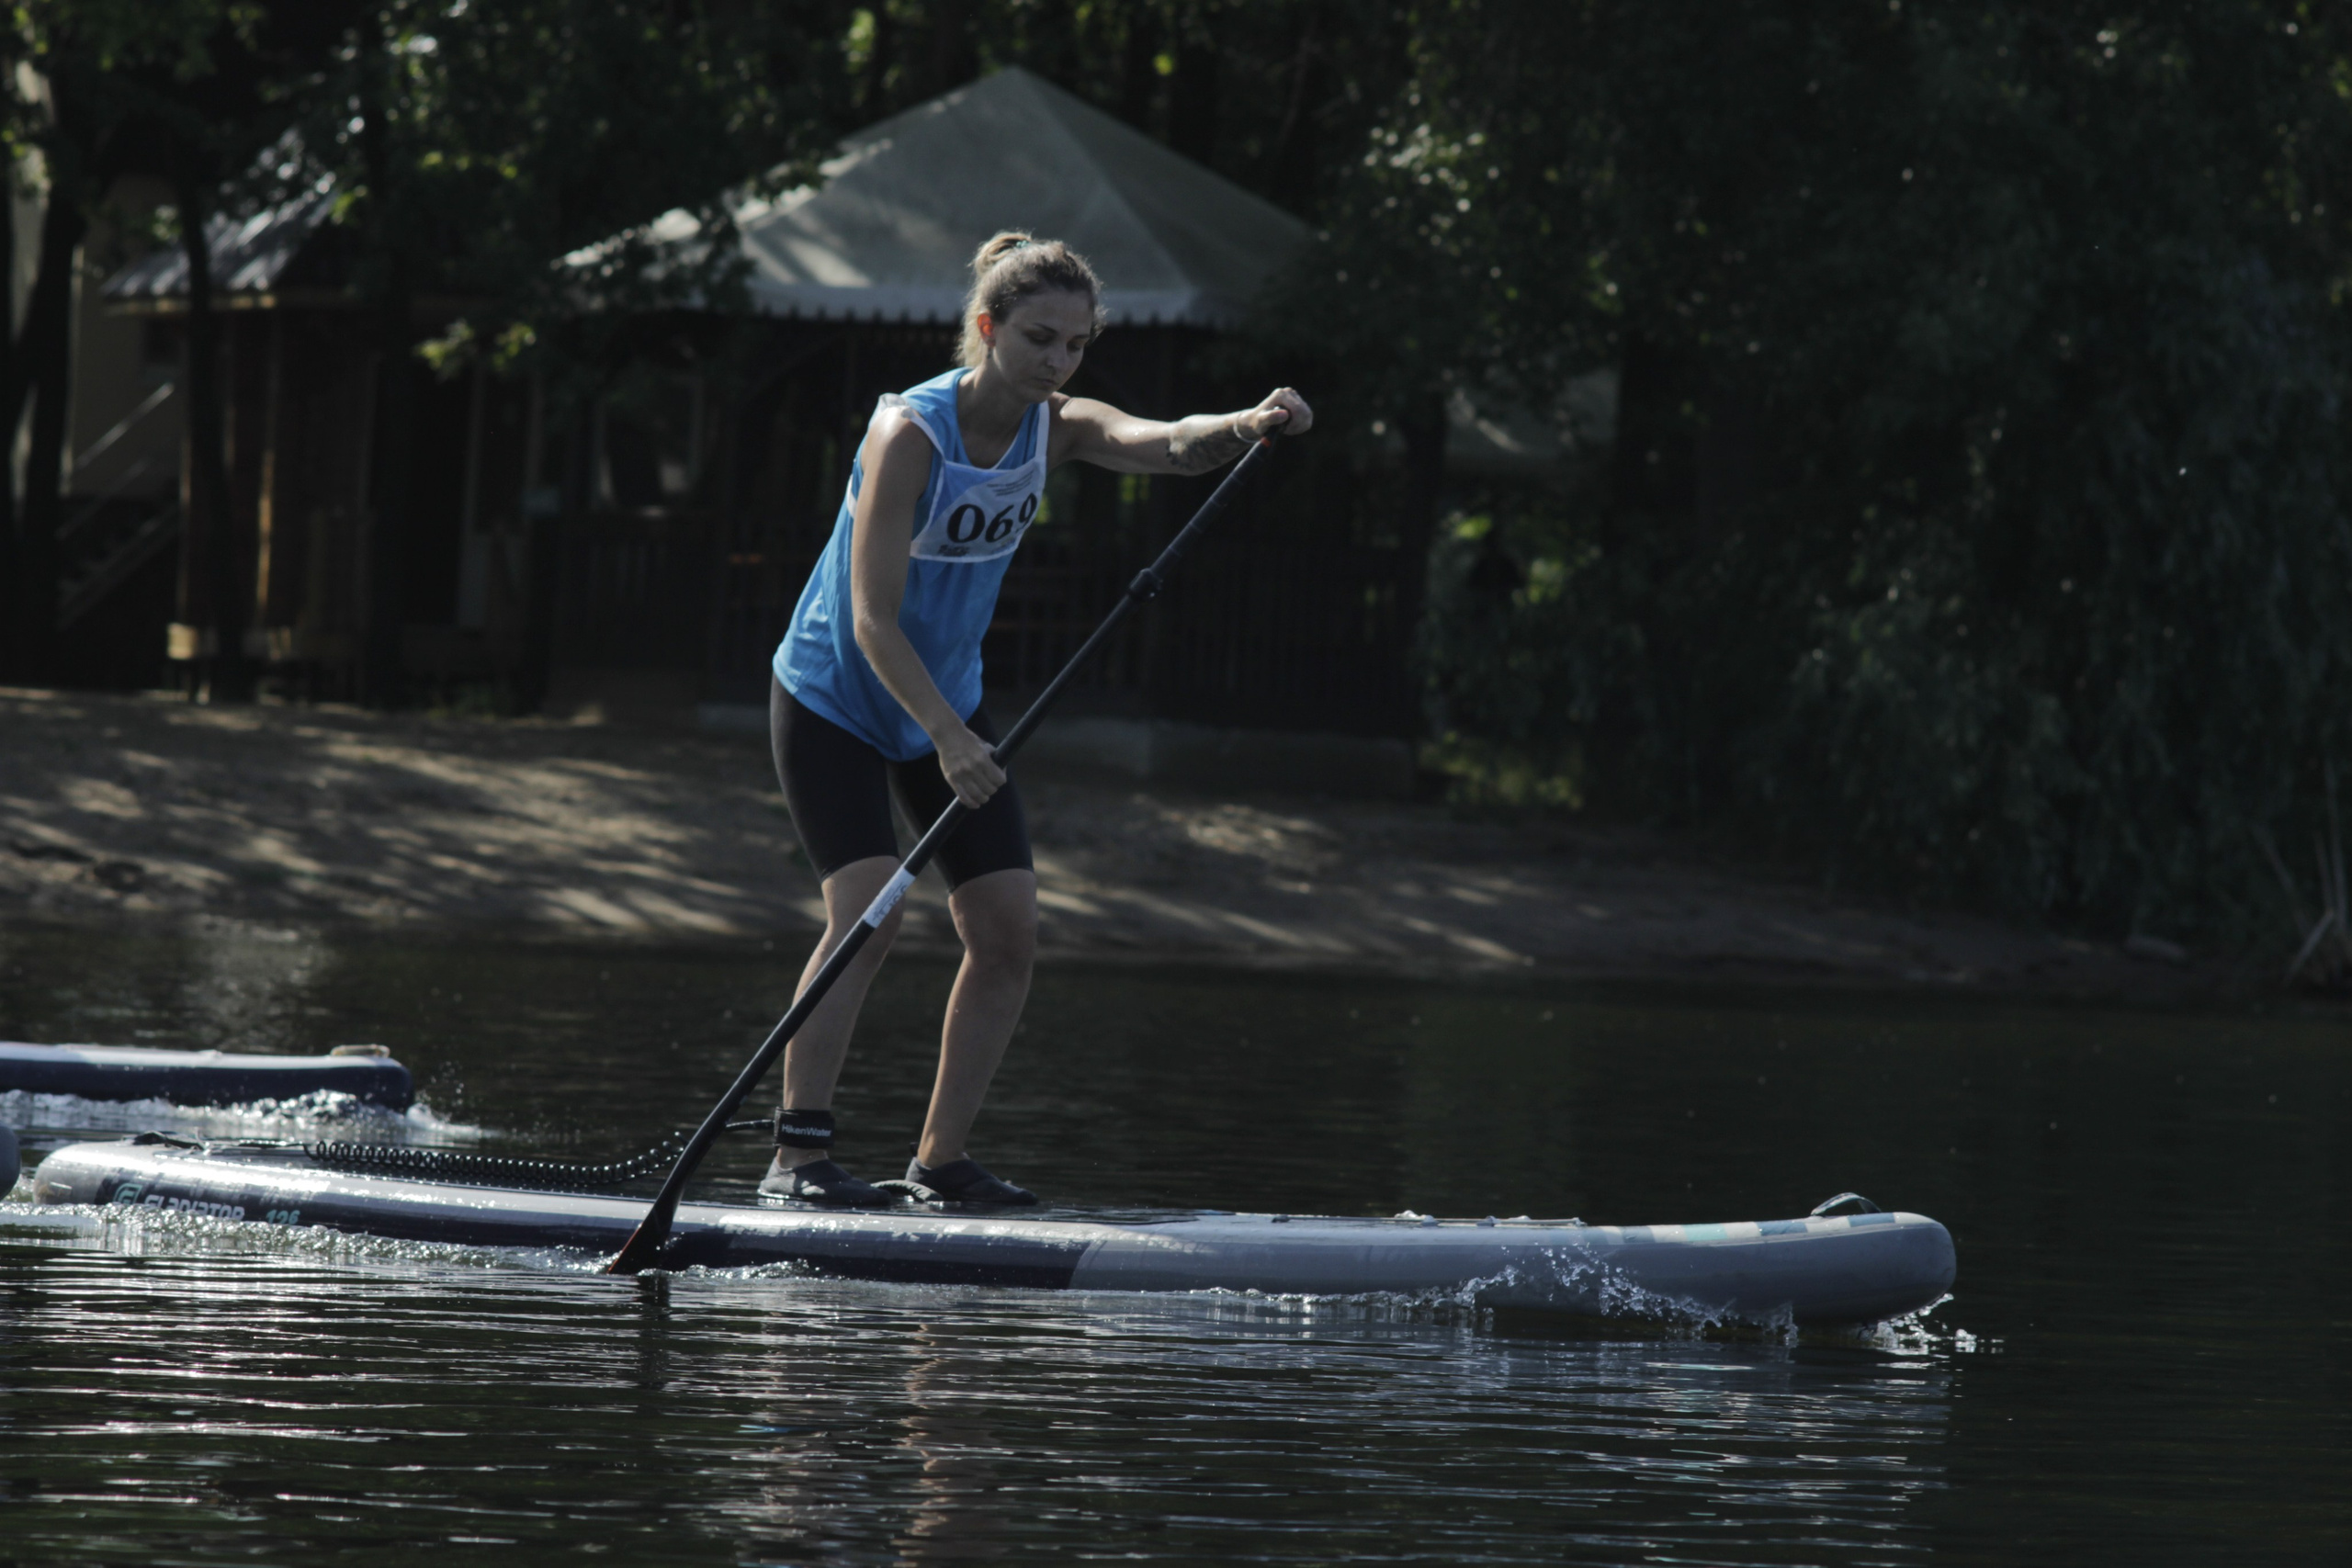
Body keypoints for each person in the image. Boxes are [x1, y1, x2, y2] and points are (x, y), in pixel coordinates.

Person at [763, 230, 1312, 1207]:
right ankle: (798, 1160)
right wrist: (947, 736)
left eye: (1076, 344)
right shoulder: (909, 434)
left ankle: (939, 1167)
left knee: (1008, 933)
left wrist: (1247, 421)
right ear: (987, 328)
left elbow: (1166, 444)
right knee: (869, 910)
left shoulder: (1055, 424)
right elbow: (871, 619)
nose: (1059, 362)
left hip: (951, 708)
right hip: (839, 695)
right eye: (1039, 339)